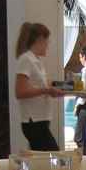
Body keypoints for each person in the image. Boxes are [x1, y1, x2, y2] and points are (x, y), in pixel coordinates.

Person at [15, 22, 65, 151]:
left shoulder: (36, 61)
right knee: (54, 158)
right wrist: (47, 90)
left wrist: (52, 90)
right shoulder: (26, 59)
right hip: (33, 121)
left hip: (40, 120)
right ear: (40, 40)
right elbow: (20, 92)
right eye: (47, 42)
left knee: (43, 162)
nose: (48, 46)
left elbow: (40, 86)